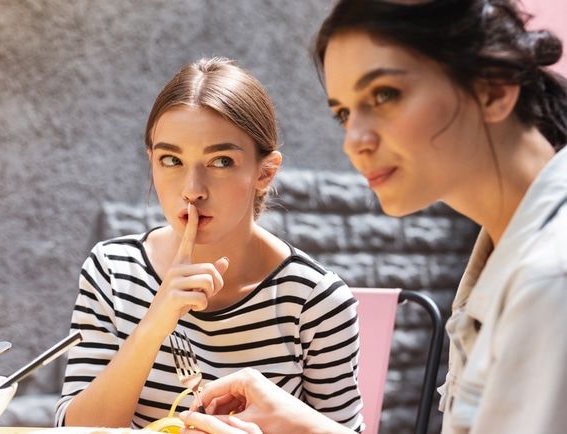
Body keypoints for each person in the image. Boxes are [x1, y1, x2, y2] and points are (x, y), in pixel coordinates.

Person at [180, 1, 567, 433]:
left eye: (384, 94)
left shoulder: (549, 278)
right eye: (344, 113)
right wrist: (301, 425)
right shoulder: (509, 251)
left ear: (493, 88)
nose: (354, 141)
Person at [53, 57, 364, 431]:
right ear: (151, 160)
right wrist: (154, 323)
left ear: (265, 172)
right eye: (171, 159)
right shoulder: (113, 270)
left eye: (220, 161)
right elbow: (75, 430)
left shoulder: (315, 300)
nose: (192, 190)